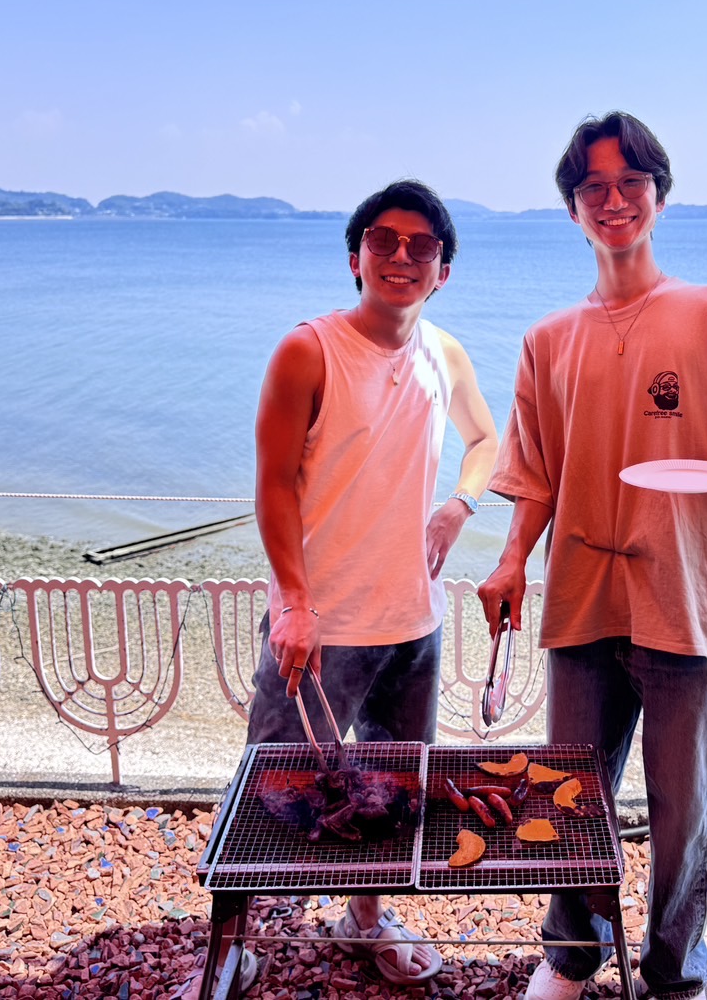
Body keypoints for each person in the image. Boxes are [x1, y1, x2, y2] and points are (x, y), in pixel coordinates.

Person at [478, 112, 707, 1000]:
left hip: (686, 598)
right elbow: (535, 473)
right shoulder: (547, 338)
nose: (613, 200)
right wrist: (510, 561)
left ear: (659, 196)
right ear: (572, 208)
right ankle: (569, 957)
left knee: (684, 810)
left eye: (630, 183)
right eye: (593, 187)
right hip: (582, 595)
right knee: (565, 795)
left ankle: (671, 974)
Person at [247, 179, 498, 986]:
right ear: (354, 258)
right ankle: (239, 940)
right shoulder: (308, 350)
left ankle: (364, 917)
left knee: (393, 791)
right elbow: (272, 485)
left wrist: (458, 507)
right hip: (320, 626)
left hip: (413, 622)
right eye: (382, 241)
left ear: (442, 271)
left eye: (421, 246)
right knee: (274, 793)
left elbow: (486, 439)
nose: (400, 257)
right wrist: (292, 603)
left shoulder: (443, 353)